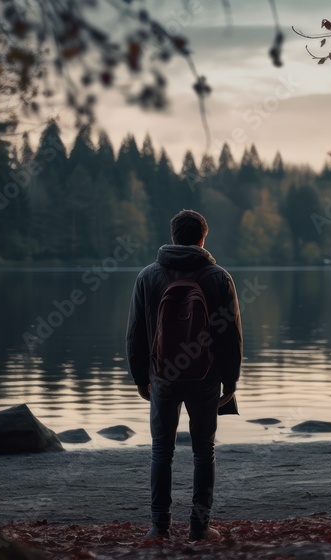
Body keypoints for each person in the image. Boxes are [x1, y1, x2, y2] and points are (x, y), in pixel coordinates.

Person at [126, 209, 242, 542]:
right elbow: (231, 334)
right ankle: (199, 527)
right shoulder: (218, 277)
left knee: (161, 451)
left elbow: (135, 333)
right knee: (204, 451)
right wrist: (230, 380)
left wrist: (140, 377)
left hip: (161, 375)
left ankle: (158, 528)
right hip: (205, 377)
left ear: (174, 237)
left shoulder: (148, 276)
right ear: (203, 238)